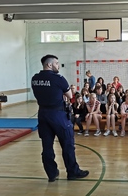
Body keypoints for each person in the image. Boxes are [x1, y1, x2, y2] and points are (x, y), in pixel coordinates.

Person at [31, 54, 89, 182]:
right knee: (67, 144)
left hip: (43, 114)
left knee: (47, 146)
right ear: (49, 64)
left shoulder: (35, 79)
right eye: (56, 63)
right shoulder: (58, 78)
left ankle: (51, 173)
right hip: (58, 115)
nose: (58, 65)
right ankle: (73, 172)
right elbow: (69, 95)